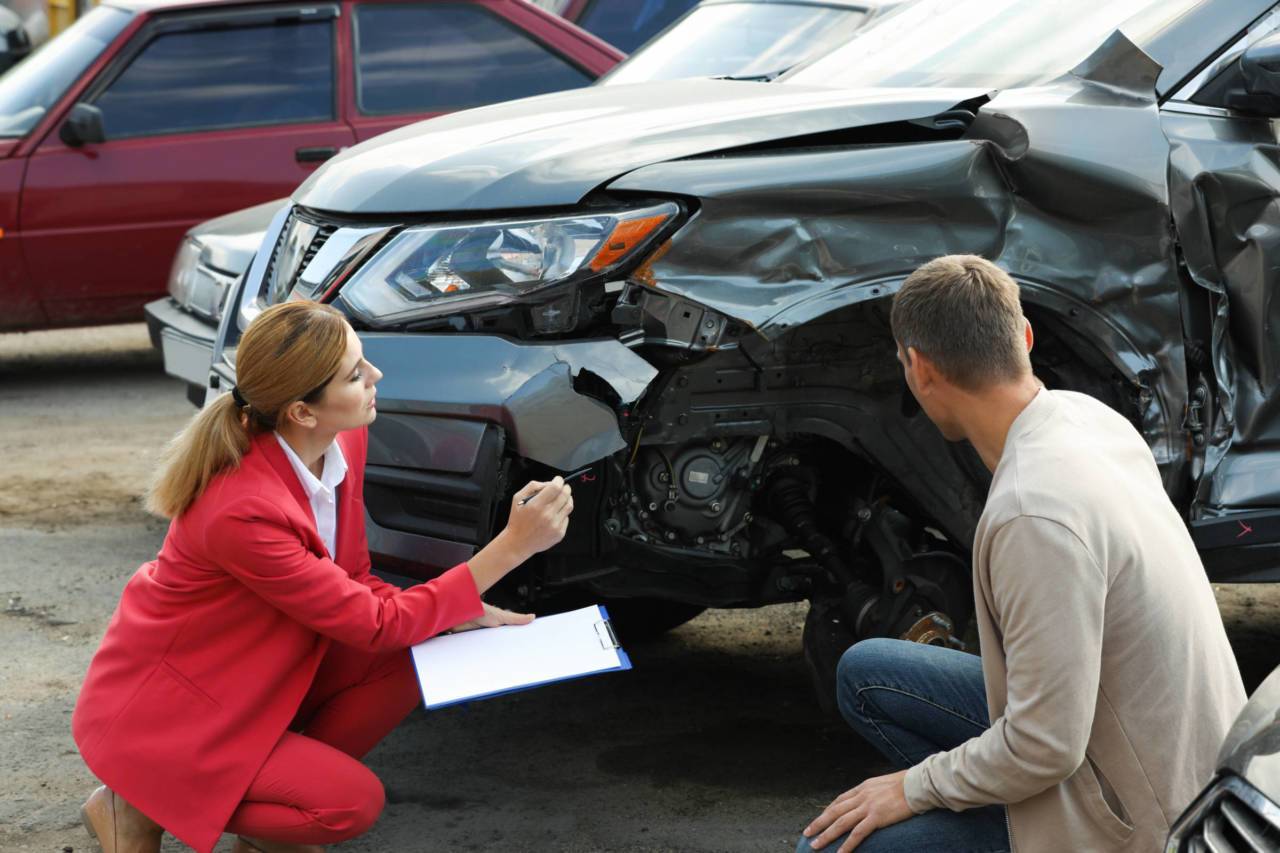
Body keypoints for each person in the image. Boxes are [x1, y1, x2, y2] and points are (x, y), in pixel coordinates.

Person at [72, 301, 574, 853]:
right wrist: (512, 547)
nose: (376, 377)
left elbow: (356, 580)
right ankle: (136, 801)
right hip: (173, 714)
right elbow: (376, 623)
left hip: (250, 669)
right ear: (302, 412)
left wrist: (454, 611)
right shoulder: (241, 510)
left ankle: (264, 831)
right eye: (356, 375)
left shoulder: (341, 440)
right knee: (346, 805)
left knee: (417, 650)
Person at [799, 255, 1246, 853]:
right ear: (1025, 336)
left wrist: (912, 788)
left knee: (823, 850)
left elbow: (1045, 747)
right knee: (866, 672)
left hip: (1151, 824)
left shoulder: (1032, 514)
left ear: (920, 370)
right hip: (1185, 764)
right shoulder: (1088, 419)